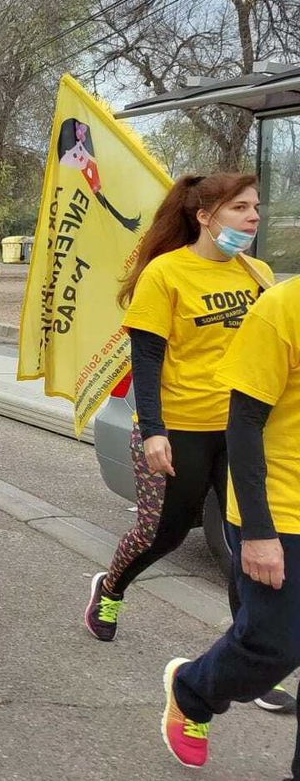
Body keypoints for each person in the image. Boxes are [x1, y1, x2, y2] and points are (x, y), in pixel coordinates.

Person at [81, 172, 295, 712]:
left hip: (243, 431)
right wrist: (153, 430)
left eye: (256, 207)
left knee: (245, 545)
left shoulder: (258, 273)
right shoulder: (165, 272)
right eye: (240, 207)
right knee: (165, 532)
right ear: (204, 216)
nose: (253, 217)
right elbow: (146, 358)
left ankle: (248, 665)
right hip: (180, 429)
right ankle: (110, 588)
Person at [161, 274, 300, 775]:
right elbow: (242, 423)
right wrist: (259, 532)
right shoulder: (283, 308)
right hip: (281, 508)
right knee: (274, 645)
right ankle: (193, 690)